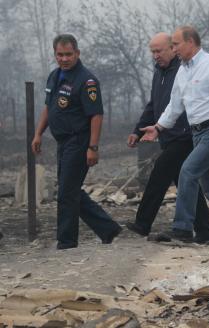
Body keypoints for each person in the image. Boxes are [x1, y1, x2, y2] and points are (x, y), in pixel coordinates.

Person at [141, 26, 209, 246]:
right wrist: (157, 128)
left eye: (176, 44)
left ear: (190, 42)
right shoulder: (183, 71)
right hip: (197, 132)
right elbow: (175, 106)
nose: (174, 49)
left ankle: (182, 229)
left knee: (187, 171)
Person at [32, 34, 122, 250]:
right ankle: (108, 228)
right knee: (69, 189)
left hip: (79, 141)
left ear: (77, 53)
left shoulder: (86, 80)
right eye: (60, 55)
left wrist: (93, 147)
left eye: (68, 54)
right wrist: (38, 134)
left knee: (65, 193)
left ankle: (67, 241)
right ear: (55, 54)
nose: (64, 59)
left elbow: (96, 115)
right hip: (63, 142)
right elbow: (49, 107)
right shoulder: (54, 76)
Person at [126, 32, 209, 244]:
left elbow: (188, 103)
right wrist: (137, 130)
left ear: (172, 49)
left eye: (159, 51)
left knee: (160, 171)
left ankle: (143, 222)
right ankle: (206, 231)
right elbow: (153, 105)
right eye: (152, 51)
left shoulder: (183, 70)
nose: (155, 55)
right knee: (186, 182)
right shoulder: (159, 72)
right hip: (167, 135)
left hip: (184, 135)